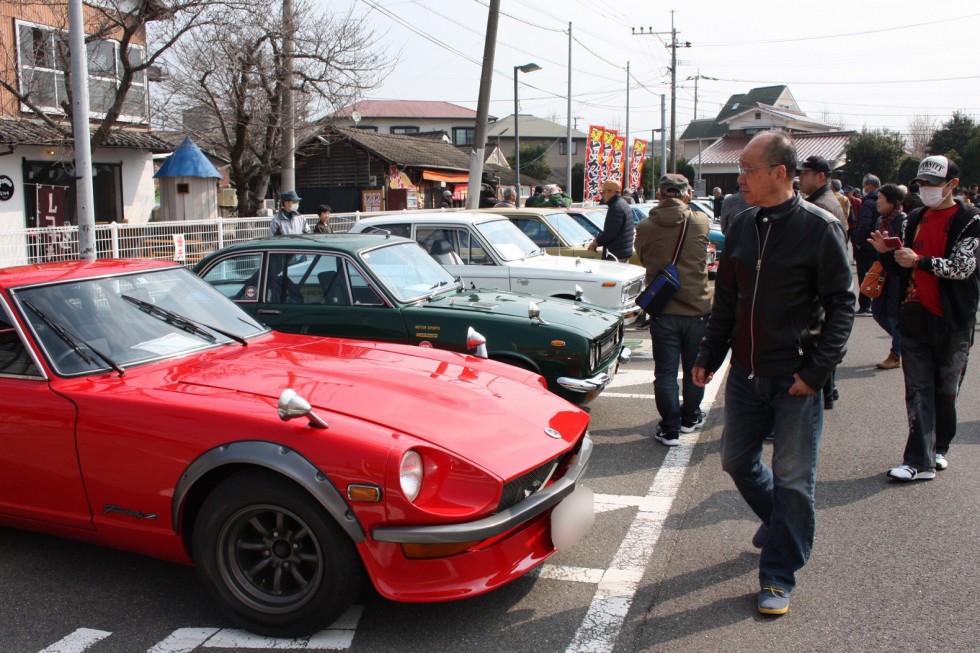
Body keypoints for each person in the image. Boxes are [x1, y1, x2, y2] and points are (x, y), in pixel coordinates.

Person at [692, 131, 853, 616]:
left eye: (747, 170)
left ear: (779, 174)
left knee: (793, 478)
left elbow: (843, 305)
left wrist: (818, 371)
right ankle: (783, 525)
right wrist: (708, 353)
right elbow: (727, 299)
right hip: (745, 373)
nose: (739, 179)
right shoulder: (741, 224)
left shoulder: (820, 228)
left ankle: (779, 575)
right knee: (737, 461)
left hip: (795, 378)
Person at [871, 155, 980, 482]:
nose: (928, 190)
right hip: (915, 314)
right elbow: (903, 266)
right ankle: (918, 461)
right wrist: (886, 253)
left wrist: (918, 261)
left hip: (954, 321)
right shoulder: (914, 217)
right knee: (918, 390)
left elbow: (963, 268)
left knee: (946, 391)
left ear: (953, 185)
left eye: (934, 184)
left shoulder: (971, 219)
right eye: (923, 184)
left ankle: (937, 448)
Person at [634, 173, 711, 446]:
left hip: (663, 309)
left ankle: (670, 429)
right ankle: (690, 417)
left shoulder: (644, 226)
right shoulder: (701, 221)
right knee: (694, 369)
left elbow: (643, 257)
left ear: (660, 194)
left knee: (665, 373)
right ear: (686, 194)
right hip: (697, 307)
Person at [870, 184, 907, 370]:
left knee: (894, 314)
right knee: (877, 312)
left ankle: (896, 353)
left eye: (880, 199)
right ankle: (904, 343)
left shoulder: (904, 220)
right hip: (882, 271)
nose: (877, 202)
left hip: (898, 274)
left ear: (892, 201)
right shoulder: (880, 220)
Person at [852, 174, 881, 316]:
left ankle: (865, 305)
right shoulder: (879, 200)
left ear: (869, 186)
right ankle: (873, 302)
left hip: (865, 244)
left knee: (864, 274)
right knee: (875, 273)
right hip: (876, 243)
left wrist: (858, 242)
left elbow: (864, 225)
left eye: (865, 185)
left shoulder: (868, 203)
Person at [588, 179, 635, 262]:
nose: (602, 195)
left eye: (603, 192)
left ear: (612, 192)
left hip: (616, 255)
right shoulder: (623, 203)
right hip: (622, 253)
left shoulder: (616, 207)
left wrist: (596, 241)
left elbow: (610, 233)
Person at [797, 156, 845, 225]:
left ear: (820, 177)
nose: (799, 177)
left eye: (805, 173)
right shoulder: (827, 198)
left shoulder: (819, 206)